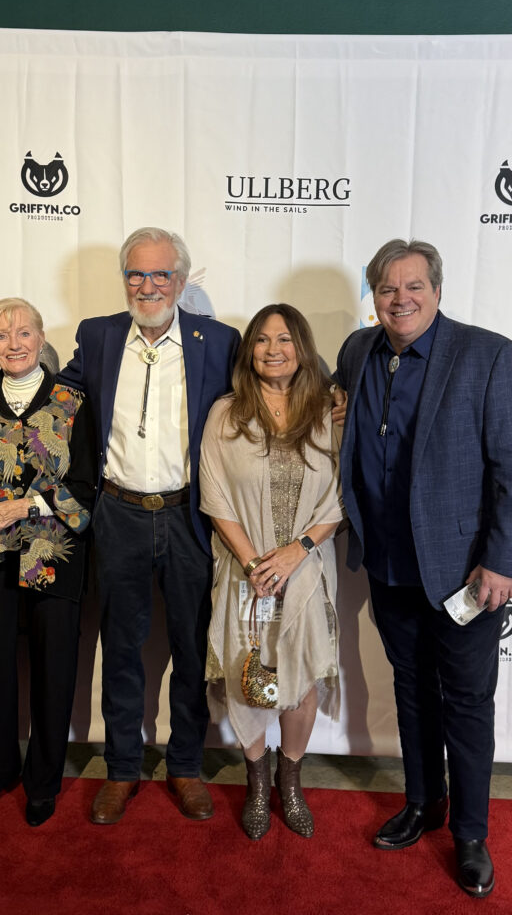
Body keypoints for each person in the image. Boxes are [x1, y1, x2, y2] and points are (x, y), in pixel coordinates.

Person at [335, 239, 512, 899]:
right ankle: (423, 802)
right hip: (387, 564)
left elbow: (510, 470)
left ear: (437, 290)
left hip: (465, 573)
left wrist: (501, 561)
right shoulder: (358, 351)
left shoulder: (487, 355)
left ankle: (469, 834)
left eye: (413, 286)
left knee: (465, 702)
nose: (400, 299)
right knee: (411, 691)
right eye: (387, 288)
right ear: (374, 296)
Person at [58, 227, 241, 824]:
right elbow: (58, 394)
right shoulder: (99, 334)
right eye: (136, 273)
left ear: (181, 281)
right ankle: (121, 768)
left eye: (161, 274)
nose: (148, 285)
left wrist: (329, 399)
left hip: (190, 515)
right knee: (121, 649)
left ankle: (185, 766)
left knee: (192, 647)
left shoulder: (219, 341)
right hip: (118, 514)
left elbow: (264, 396)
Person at [199, 304, 342, 840]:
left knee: (301, 676)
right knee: (248, 673)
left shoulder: (328, 412)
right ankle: (257, 782)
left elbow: (341, 496)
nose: (273, 349)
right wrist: (254, 562)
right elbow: (214, 495)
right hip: (247, 573)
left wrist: (296, 552)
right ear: (249, 351)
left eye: (284, 339)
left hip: (304, 569)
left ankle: (291, 780)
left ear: (302, 348)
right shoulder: (226, 414)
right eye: (261, 339)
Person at [0, 297, 95, 827]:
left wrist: (25, 506)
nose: (13, 343)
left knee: (53, 671)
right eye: (1, 334)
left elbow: (85, 484)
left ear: (41, 338)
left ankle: (43, 782)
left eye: (23, 332)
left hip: (53, 554)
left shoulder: (73, 400)